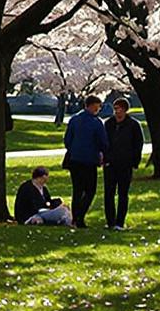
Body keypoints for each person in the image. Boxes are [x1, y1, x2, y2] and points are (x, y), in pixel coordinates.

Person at [61, 94, 109, 227]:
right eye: (97, 107)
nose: (98, 110)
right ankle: (80, 216)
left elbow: (67, 140)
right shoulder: (96, 122)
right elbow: (103, 142)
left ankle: (75, 217)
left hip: (74, 159)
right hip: (89, 160)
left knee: (77, 190)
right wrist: (103, 153)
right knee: (90, 190)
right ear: (92, 106)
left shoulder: (74, 120)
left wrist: (73, 149)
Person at [103, 95, 145, 229]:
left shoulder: (133, 125)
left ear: (125, 110)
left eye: (120, 109)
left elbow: (138, 144)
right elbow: (103, 142)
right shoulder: (109, 124)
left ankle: (119, 222)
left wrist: (134, 161)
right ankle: (110, 221)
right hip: (110, 163)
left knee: (123, 194)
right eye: (115, 109)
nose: (117, 111)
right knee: (109, 193)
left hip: (125, 164)